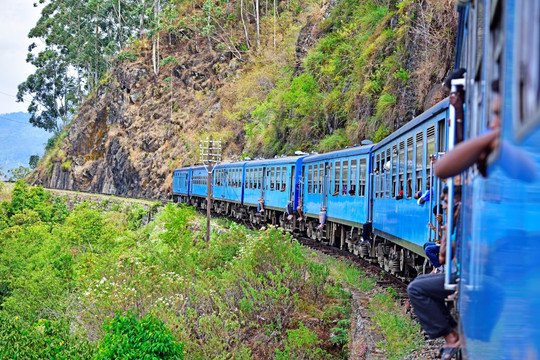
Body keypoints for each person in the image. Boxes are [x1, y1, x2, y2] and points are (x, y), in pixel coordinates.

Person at [407, 186, 462, 359]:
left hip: (464, 275)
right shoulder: (459, 218)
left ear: (457, 199)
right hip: (461, 272)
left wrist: (446, 231)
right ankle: (453, 333)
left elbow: (444, 255)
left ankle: (452, 336)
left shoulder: (461, 219)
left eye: (446, 202)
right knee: (421, 282)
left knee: (417, 288)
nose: (443, 206)